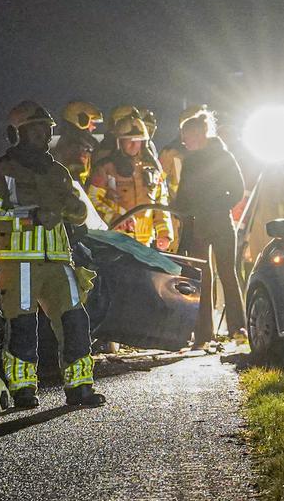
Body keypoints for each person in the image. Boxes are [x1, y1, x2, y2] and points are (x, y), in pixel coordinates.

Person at [0, 101, 106, 407]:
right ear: (18, 133)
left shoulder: (57, 170)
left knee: (75, 320)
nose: (44, 133)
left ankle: (80, 386)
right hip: (19, 260)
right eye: (36, 128)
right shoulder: (0, 170)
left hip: (59, 259)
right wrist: (32, 217)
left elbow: (76, 209)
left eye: (46, 128)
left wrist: (76, 210)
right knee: (23, 326)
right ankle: (23, 389)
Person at [175, 109, 249, 343]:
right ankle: (203, 332)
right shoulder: (190, 161)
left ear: (200, 135)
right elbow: (183, 195)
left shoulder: (223, 156)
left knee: (227, 273)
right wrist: (182, 212)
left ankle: (237, 328)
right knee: (202, 277)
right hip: (199, 224)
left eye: (187, 137)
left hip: (219, 222)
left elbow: (237, 188)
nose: (184, 142)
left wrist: (218, 205)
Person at [87, 113, 175, 250]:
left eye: (138, 140)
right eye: (129, 140)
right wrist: (115, 218)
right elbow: (92, 200)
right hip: (116, 240)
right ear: (119, 142)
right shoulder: (106, 169)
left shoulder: (152, 170)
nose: (134, 145)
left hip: (145, 242)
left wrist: (164, 233)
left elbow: (161, 202)